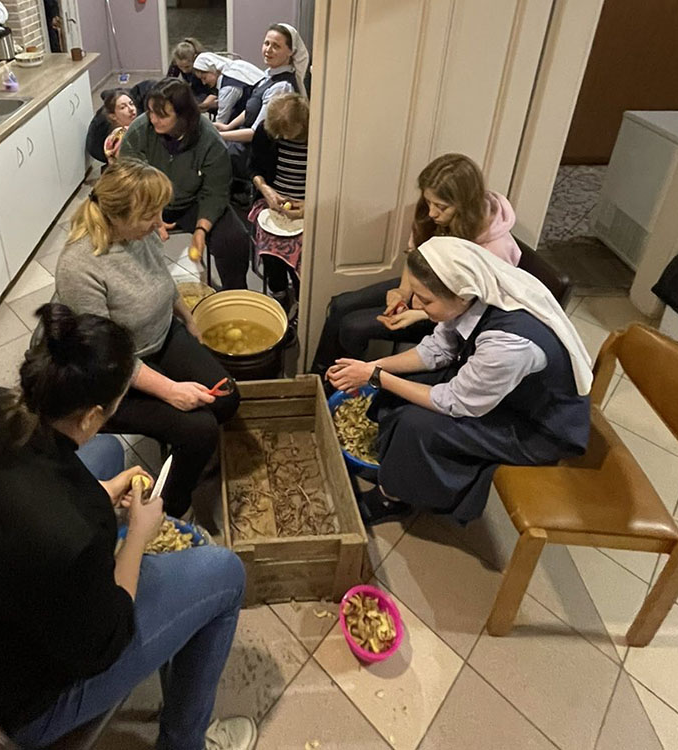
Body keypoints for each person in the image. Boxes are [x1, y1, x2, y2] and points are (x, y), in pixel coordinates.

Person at [0, 303, 257, 750]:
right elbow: (108, 639)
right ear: (91, 415)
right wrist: (139, 536)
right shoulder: (75, 533)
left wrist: (105, 490)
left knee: (107, 456)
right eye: (111, 409)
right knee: (225, 574)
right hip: (9, 709)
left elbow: (38, 490)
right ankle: (183, 742)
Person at [327, 238, 592, 526]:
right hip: (504, 391)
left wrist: (376, 377)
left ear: (462, 295)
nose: (415, 305)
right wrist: (371, 367)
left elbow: (454, 402)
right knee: (404, 383)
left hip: (536, 425)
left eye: (425, 300)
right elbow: (436, 350)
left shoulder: (509, 344)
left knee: (416, 424)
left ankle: (393, 497)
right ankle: (396, 461)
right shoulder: (475, 291)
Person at [50, 160, 240, 518]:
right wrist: (171, 390)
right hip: (109, 372)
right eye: (150, 216)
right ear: (115, 216)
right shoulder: (79, 266)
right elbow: (107, 357)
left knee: (226, 398)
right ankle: (169, 509)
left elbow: (163, 282)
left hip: (158, 336)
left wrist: (187, 318)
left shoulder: (142, 233)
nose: (160, 223)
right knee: (198, 428)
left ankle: (186, 458)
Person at [312, 153, 523, 376]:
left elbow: (480, 310)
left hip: (450, 316)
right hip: (425, 287)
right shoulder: (431, 215)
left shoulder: (497, 248)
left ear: (465, 205)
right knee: (340, 305)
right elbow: (416, 257)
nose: (432, 212)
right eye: (429, 202)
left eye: (441, 207)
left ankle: (340, 383)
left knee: (353, 326)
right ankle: (318, 375)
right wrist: (403, 291)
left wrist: (422, 314)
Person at [121, 77, 252, 290]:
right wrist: (149, 211)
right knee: (118, 235)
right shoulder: (139, 130)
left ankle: (234, 297)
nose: (153, 119)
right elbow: (126, 176)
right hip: (147, 202)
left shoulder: (210, 139)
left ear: (183, 115)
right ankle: (139, 296)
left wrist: (202, 228)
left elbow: (215, 191)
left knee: (234, 240)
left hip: (193, 202)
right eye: (151, 112)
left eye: (162, 115)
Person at [218, 23, 309, 180]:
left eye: (276, 46)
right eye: (266, 43)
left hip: (254, 153)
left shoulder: (281, 87)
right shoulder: (268, 75)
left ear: (290, 52)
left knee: (209, 157)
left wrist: (220, 136)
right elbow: (253, 108)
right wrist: (227, 127)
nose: (268, 50)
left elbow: (256, 133)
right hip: (243, 142)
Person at [248, 92, 309, 311]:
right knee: (269, 242)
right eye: (279, 135)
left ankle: (304, 296)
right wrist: (265, 189)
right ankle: (279, 290)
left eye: (289, 135)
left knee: (302, 249)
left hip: (310, 206)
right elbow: (254, 168)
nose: (283, 139)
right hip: (272, 201)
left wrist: (308, 208)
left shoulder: (322, 138)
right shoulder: (267, 132)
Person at [85, 81, 157, 165]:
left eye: (131, 104)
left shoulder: (135, 112)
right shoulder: (119, 139)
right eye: (123, 107)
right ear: (113, 116)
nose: (131, 109)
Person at [192, 52, 265, 125]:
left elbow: (221, 121)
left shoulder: (227, 88)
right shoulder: (237, 65)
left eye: (204, 78)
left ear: (213, 70)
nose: (204, 83)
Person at [167, 37, 217, 111]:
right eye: (180, 67)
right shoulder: (176, 62)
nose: (184, 71)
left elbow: (214, 91)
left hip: (206, 92)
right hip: (192, 90)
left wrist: (202, 106)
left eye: (187, 67)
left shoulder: (202, 64)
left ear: (194, 59)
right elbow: (168, 81)